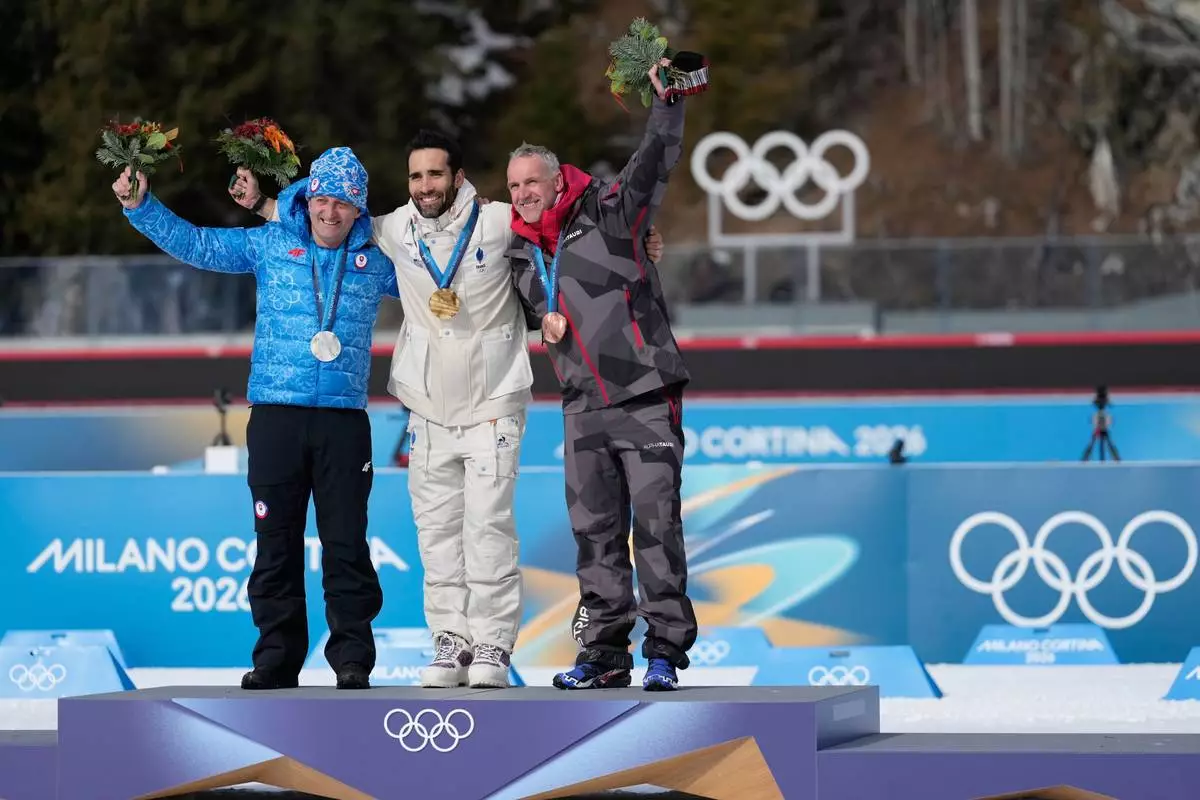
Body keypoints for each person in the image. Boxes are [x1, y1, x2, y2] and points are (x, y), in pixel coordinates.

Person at [231, 132, 665, 689]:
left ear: (458, 177)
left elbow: (561, 213)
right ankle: (450, 642)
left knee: (488, 531)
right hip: (428, 410)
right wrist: (268, 205)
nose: (425, 186)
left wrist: (634, 236)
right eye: (416, 177)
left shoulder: (499, 221)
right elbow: (325, 219)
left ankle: (491, 645)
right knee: (436, 536)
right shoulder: (391, 229)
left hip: (492, 406)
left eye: (435, 175)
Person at [114, 147, 398, 691]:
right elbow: (198, 245)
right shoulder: (271, 244)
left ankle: (353, 658)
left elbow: (440, 280)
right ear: (309, 197)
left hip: (343, 422)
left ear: (360, 211)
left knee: (347, 545)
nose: (331, 213)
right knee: (276, 543)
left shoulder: (377, 262)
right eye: (323, 199)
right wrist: (142, 207)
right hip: (275, 418)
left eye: (344, 204)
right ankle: (276, 657)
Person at [506, 60, 698, 691]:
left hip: (644, 393)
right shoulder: (515, 249)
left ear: (557, 179)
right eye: (513, 186)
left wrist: (667, 102)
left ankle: (665, 651)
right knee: (594, 535)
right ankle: (606, 653)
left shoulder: (613, 211)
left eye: (532, 182)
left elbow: (654, 160)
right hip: (580, 403)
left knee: (657, 525)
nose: (523, 194)